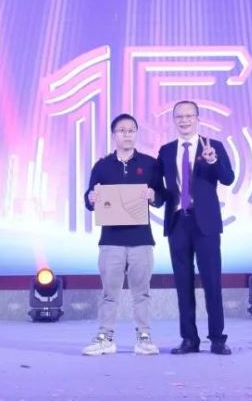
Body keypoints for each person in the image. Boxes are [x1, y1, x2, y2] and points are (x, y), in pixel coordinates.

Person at [154, 100, 235, 355]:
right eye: (179, 116)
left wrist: (213, 162)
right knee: (183, 283)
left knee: (212, 281)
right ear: (173, 120)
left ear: (198, 118)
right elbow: (159, 189)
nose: (184, 120)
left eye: (189, 116)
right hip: (178, 222)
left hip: (206, 224)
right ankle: (189, 339)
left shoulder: (213, 146)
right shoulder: (166, 151)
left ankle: (218, 339)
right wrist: (151, 197)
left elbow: (228, 178)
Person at [82, 113, 163, 356]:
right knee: (109, 294)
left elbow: (161, 197)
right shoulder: (102, 166)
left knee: (142, 293)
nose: (127, 134)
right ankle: (105, 337)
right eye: (122, 130)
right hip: (111, 241)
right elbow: (89, 198)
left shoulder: (150, 164)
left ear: (136, 134)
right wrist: (91, 198)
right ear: (113, 135)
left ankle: (144, 337)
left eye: (131, 130)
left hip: (141, 240)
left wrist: (153, 195)